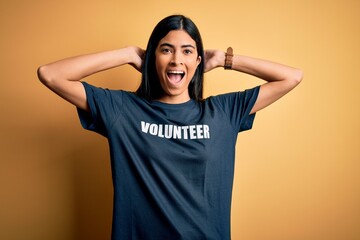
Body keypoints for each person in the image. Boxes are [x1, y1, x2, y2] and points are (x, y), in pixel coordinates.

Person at [38, 14, 302, 240]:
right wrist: (128, 54)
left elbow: (291, 77)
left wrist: (223, 59)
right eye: (166, 49)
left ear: (198, 61)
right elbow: (50, 74)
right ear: (154, 57)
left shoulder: (223, 112)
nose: (177, 59)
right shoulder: (122, 110)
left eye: (187, 51)